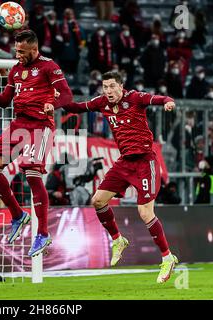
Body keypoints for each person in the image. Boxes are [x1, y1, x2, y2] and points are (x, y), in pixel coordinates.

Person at [60, 71, 178, 283]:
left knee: (144, 212)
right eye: (105, 87)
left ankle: (167, 258)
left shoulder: (135, 98)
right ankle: (118, 240)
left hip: (145, 161)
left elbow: (161, 99)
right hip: (125, 162)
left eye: (112, 86)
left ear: (121, 86)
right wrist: (55, 98)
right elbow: (74, 107)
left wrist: (168, 102)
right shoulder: (101, 103)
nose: (108, 91)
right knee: (97, 200)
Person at [0, 29, 73, 257]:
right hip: (18, 125)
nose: (18, 54)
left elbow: (67, 95)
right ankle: (18, 215)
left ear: (34, 49)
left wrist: (54, 104)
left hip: (40, 126)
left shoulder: (49, 66)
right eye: (16, 50)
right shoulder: (14, 70)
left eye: (22, 51)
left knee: (32, 174)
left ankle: (42, 233)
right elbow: (5, 101)